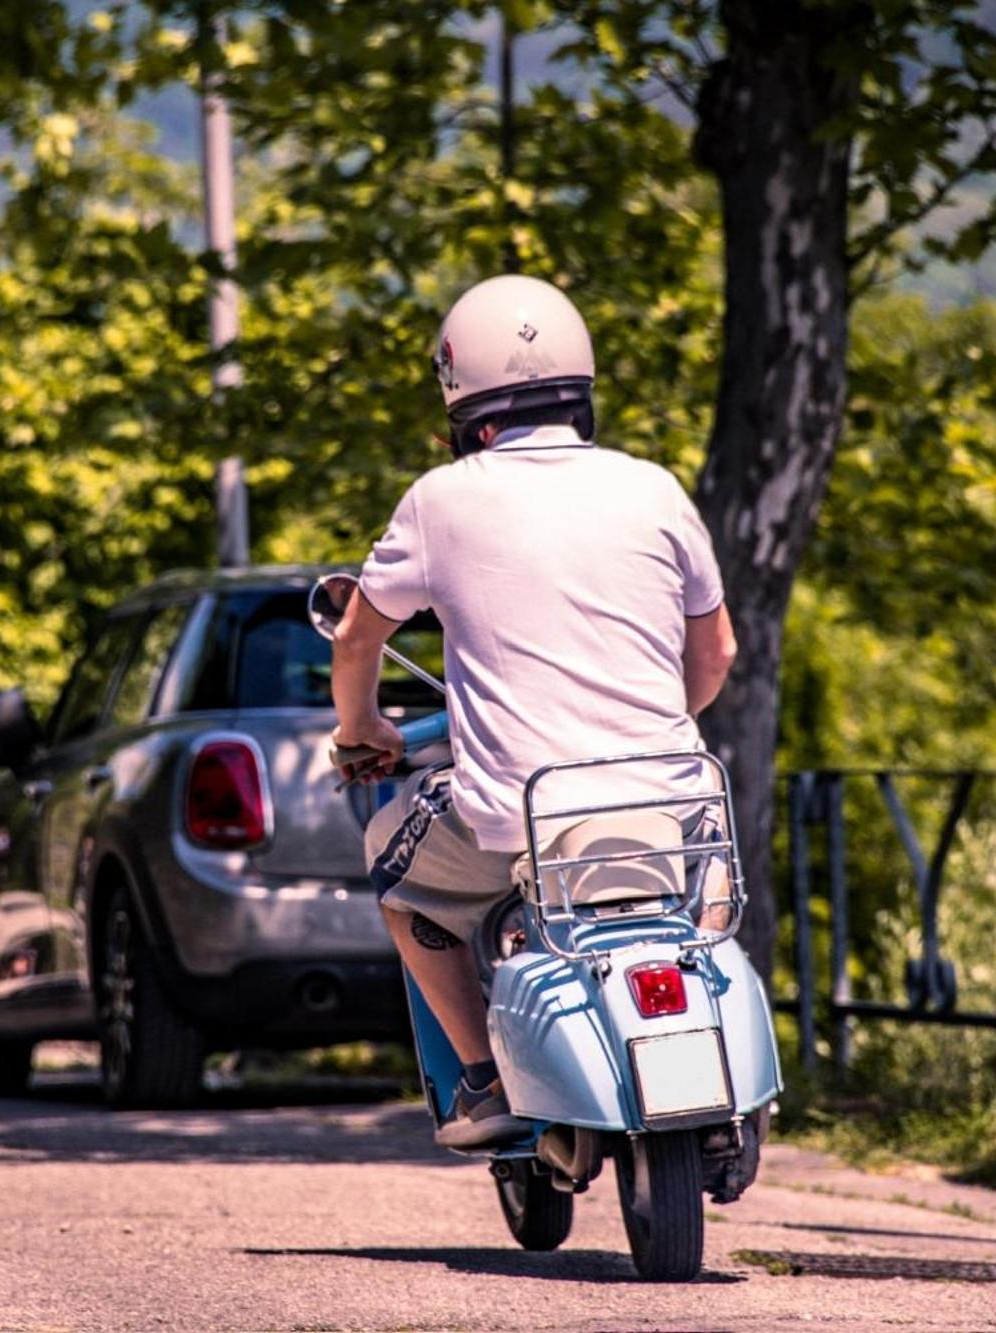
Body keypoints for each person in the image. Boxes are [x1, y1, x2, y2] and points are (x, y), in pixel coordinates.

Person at [330, 274, 738, 1147]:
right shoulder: (656, 489)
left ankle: (483, 1077)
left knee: (396, 875)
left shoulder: (440, 501)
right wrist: (656, 727)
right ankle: (721, 1074)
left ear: (465, 407)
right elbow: (717, 657)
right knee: (706, 903)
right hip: (670, 798)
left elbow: (358, 639)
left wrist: (361, 731)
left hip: (521, 815)